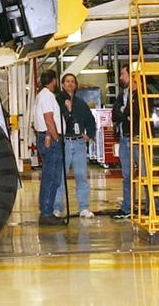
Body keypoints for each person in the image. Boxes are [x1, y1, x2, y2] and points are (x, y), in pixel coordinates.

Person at [58, 73, 97, 219]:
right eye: (67, 81)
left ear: (76, 85)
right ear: (63, 84)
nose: (70, 84)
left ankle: (84, 208)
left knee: (81, 176)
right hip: (64, 143)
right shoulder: (57, 101)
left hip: (79, 143)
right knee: (60, 178)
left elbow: (91, 120)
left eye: (72, 82)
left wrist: (89, 134)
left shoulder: (81, 103)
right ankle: (57, 208)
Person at [31, 69, 65, 225]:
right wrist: (56, 137)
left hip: (48, 138)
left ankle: (47, 211)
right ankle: (46, 213)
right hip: (50, 139)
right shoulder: (46, 96)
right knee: (51, 178)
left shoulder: (43, 95)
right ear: (53, 80)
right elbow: (48, 118)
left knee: (52, 177)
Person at [111, 64, 143, 218]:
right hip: (124, 139)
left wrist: (124, 111)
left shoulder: (143, 93)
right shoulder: (122, 94)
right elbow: (114, 114)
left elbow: (136, 112)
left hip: (138, 138)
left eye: (123, 74)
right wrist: (124, 112)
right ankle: (127, 207)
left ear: (132, 75)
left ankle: (154, 205)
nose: (120, 77)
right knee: (127, 176)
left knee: (145, 174)